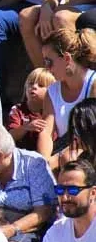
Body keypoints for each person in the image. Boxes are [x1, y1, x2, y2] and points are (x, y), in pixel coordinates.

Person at [36, 29, 96, 166]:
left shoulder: (93, 84)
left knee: (67, 159)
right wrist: (43, 164)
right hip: (65, 158)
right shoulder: (52, 91)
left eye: (49, 61)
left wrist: (55, 161)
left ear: (67, 59)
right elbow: (46, 133)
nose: (46, 68)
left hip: (88, 156)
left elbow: (90, 137)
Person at [7, 68, 56, 150]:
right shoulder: (18, 110)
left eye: (40, 85)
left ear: (51, 91)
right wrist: (26, 127)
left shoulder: (53, 113)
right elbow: (10, 136)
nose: (34, 87)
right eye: (31, 83)